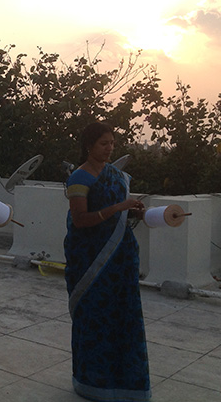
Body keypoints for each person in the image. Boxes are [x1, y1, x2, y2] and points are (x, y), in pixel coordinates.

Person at [63, 122, 150, 402]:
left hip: (121, 259)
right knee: (94, 316)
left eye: (112, 142)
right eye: (104, 143)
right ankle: (92, 383)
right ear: (89, 146)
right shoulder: (79, 177)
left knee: (123, 316)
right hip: (90, 258)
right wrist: (119, 208)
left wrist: (134, 212)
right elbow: (81, 220)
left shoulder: (117, 176)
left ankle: (127, 384)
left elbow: (121, 216)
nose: (110, 148)